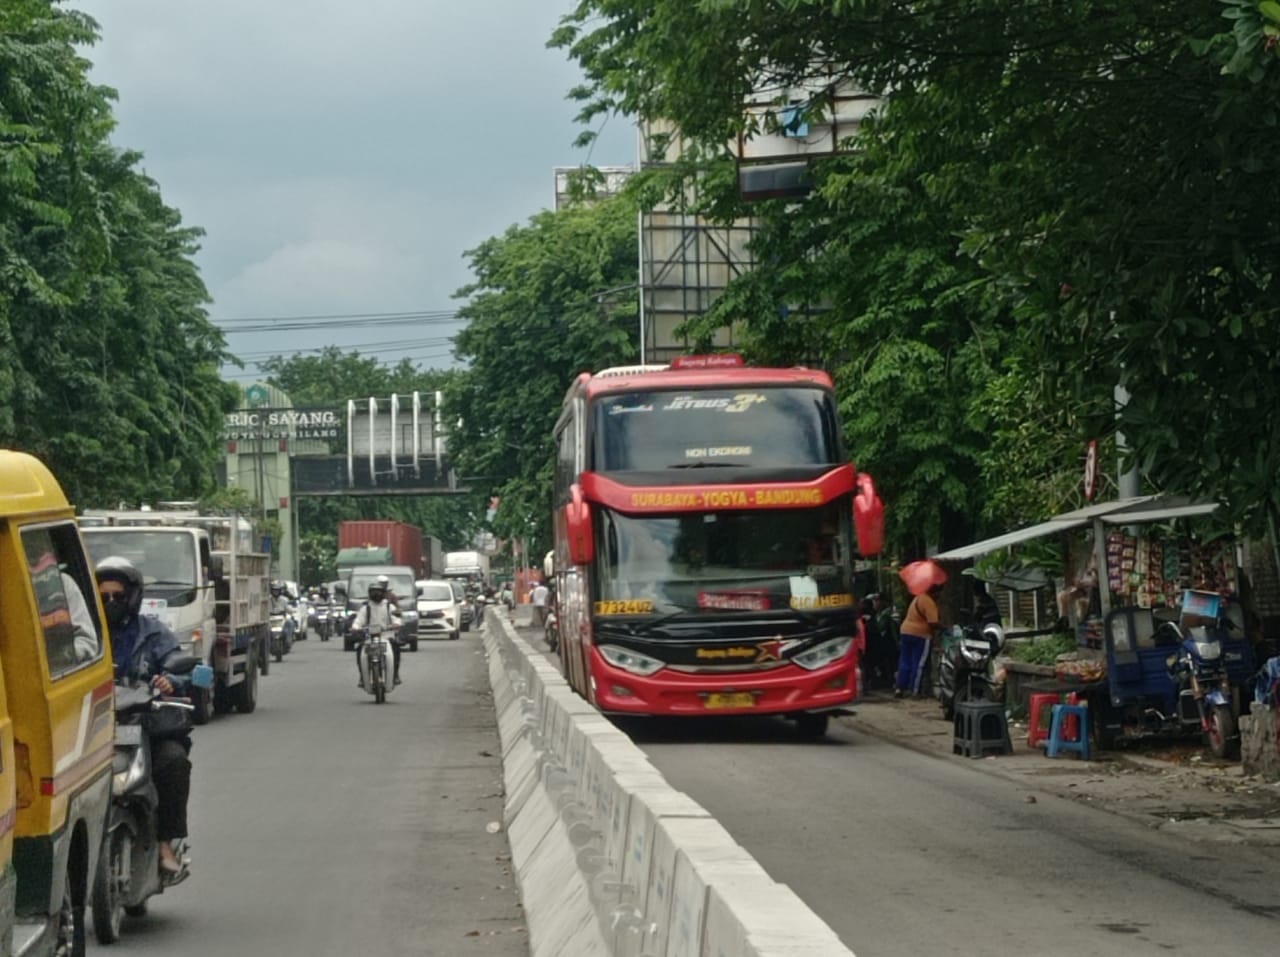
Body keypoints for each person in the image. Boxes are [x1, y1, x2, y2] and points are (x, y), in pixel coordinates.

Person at [95, 555, 193, 878]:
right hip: (96, 729)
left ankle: (165, 844)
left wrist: (170, 680)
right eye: (103, 597)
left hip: (145, 726)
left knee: (173, 762)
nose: (111, 603)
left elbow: (175, 660)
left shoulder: (152, 633)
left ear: (132, 596)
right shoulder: (87, 634)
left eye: (117, 597)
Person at [351, 575, 403, 687]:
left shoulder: (389, 606)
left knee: (395, 649)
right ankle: (362, 677)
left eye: (378, 592)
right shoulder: (366, 607)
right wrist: (356, 627)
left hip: (387, 636)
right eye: (374, 592)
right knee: (360, 650)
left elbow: (396, 619)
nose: (376, 594)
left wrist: (396, 624)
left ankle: (395, 675)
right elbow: (359, 620)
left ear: (383, 593)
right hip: (369, 638)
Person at [896, 582, 943, 698]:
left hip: (905, 631)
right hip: (920, 635)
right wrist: (944, 627)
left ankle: (899, 688)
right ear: (935, 592)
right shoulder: (928, 602)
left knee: (905, 660)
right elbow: (933, 623)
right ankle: (914, 690)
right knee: (918, 663)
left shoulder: (918, 597)